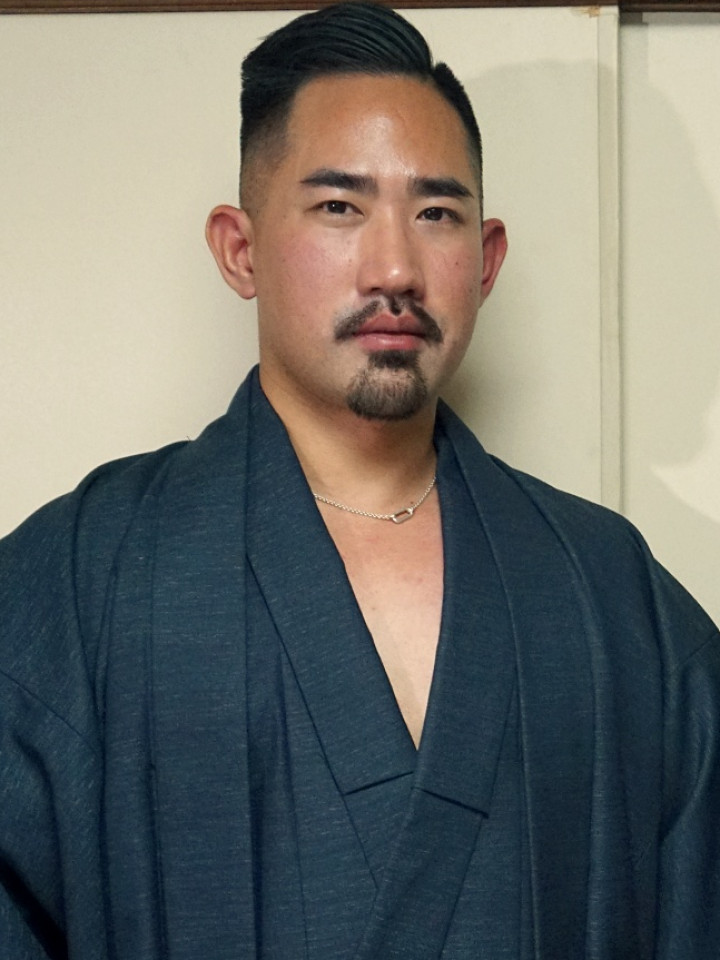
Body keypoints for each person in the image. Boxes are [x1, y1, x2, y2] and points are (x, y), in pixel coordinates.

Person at [1, 3, 718, 958]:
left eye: (436, 214)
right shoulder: (83, 576)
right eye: (340, 207)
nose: (396, 268)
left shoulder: (613, 593)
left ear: (487, 261)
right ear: (240, 250)